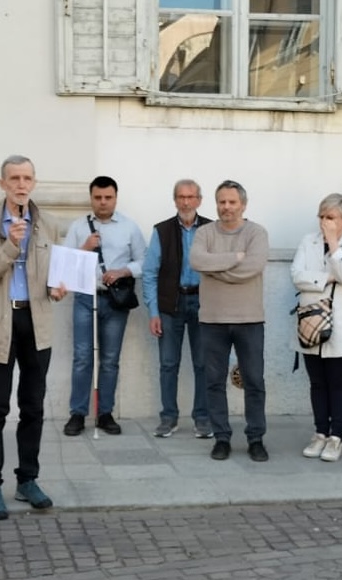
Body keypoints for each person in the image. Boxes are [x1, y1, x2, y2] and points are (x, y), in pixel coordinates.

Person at [0, 154, 68, 521]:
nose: (21, 184)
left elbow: (57, 276)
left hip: (36, 323)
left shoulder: (50, 225)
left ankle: (28, 479)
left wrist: (60, 289)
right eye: (14, 178)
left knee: (34, 407)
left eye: (27, 178)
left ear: (34, 183)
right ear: (2, 184)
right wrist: (10, 244)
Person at [189, 180, 270, 462]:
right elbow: (197, 260)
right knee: (213, 381)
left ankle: (256, 438)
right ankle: (221, 437)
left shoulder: (256, 233)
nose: (226, 207)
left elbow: (253, 267)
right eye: (222, 202)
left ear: (243, 205)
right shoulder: (204, 232)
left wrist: (217, 267)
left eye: (232, 202)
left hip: (249, 319)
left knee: (254, 381)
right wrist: (234, 258)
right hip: (212, 320)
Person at [61, 176, 146, 436]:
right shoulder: (78, 227)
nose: (103, 202)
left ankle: (105, 413)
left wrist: (122, 271)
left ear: (115, 198)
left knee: (110, 359)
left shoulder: (130, 227)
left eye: (108, 197)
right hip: (86, 297)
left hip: (115, 300)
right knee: (83, 358)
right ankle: (77, 413)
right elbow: (64, 265)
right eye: (98, 198)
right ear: (91, 198)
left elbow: (145, 262)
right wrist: (85, 247)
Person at [292, 194, 342, 463]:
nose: (325, 222)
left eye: (331, 217)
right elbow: (297, 275)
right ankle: (319, 432)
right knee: (317, 382)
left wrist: (335, 244)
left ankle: (336, 436)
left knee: (340, 383)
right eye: (322, 216)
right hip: (312, 323)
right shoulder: (308, 241)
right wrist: (326, 278)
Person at [142, 180, 212, 439]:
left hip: (203, 304)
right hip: (171, 305)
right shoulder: (161, 231)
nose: (186, 202)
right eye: (181, 197)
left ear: (199, 200)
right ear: (175, 200)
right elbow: (149, 273)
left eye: (191, 197)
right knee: (168, 363)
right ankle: (168, 417)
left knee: (203, 363)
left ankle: (203, 418)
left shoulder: (211, 229)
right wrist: (153, 312)